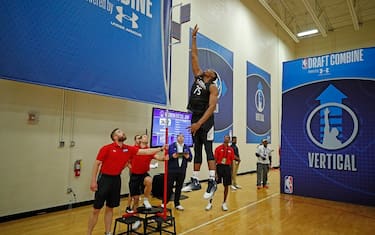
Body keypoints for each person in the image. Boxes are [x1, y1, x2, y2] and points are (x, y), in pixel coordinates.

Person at [87, 129, 165, 235]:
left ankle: (108, 232)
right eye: (119, 132)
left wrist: (160, 148)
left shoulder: (128, 149)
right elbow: (96, 164)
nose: (122, 132)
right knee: (96, 209)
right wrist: (93, 181)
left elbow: (145, 152)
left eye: (122, 132)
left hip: (116, 180)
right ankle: (89, 233)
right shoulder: (106, 148)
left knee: (110, 208)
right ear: (114, 137)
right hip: (104, 179)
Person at [183, 24, 219, 202]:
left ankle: (212, 180)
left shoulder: (212, 87)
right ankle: (195, 179)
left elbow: (211, 108)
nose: (207, 68)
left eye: (211, 70)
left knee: (208, 150)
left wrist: (199, 123)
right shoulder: (198, 76)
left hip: (206, 120)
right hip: (194, 116)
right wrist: (194, 38)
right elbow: (194, 55)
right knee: (196, 149)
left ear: (212, 76)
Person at [128, 134, 165, 230]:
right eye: (144, 136)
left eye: (146, 137)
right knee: (135, 199)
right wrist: (130, 167)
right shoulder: (134, 149)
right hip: (134, 176)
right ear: (139, 140)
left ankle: (145, 200)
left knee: (149, 180)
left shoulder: (150, 150)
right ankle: (137, 220)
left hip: (143, 174)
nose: (146, 138)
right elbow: (127, 160)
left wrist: (166, 156)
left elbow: (159, 158)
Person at [206, 135, 239, 211]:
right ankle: (209, 203)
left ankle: (224, 203)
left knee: (226, 186)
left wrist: (231, 173)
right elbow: (214, 161)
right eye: (225, 138)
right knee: (214, 186)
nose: (226, 139)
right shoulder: (218, 148)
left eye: (228, 138)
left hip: (227, 168)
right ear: (223, 139)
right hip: (219, 167)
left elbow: (231, 162)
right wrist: (215, 173)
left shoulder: (231, 150)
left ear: (229, 140)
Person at [163, 133, 192, 211]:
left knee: (179, 187)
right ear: (177, 138)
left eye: (183, 137)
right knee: (169, 186)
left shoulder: (186, 147)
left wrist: (188, 157)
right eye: (179, 136)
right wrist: (172, 156)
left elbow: (190, 158)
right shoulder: (171, 146)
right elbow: (167, 156)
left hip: (182, 170)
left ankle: (177, 203)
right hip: (172, 170)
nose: (181, 138)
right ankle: (165, 202)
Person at [125, 134, 142, 214]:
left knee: (137, 190)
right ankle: (128, 206)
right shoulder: (132, 149)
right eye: (138, 138)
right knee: (132, 190)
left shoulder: (142, 149)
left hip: (141, 171)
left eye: (141, 138)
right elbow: (127, 161)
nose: (140, 140)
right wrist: (131, 168)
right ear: (135, 140)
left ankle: (134, 207)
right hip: (133, 172)